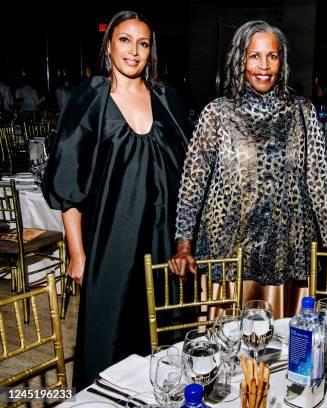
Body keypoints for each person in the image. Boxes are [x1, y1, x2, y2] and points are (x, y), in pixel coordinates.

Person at [42, 10, 190, 390]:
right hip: (109, 244)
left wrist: (184, 243)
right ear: (108, 46)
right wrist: (77, 252)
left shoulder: (167, 99)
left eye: (143, 43)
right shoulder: (90, 99)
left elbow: (189, 177)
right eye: (125, 40)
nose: (134, 51)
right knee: (106, 337)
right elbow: (68, 184)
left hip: (161, 244)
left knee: (162, 341)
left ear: (150, 51)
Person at [168, 20, 327, 318]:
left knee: (287, 346)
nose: (264, 65)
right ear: (240, 59)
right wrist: (183, 243)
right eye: (255, 55)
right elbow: (193, 182)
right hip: (228, 253)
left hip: (287, 250)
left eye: (272, 56)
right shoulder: (217, 112)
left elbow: (319, 178)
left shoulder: (302, 111)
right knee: (228, 346)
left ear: (282, 62)